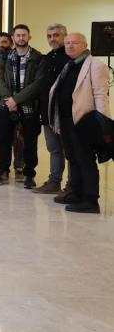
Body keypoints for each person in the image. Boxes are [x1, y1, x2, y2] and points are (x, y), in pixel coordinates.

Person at [48, 32, 111, 214]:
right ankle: (75, 193)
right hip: (66, 120)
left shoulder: (96, 65)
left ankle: (91, 200)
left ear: (84, 45)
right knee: (72, 157)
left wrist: (103, 123)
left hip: (84, 121)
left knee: (85, 160)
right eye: (67, 43)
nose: (69, 46)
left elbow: (100, 95)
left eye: (74, 43)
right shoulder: (70, 64)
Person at [0, 24, 44, 187]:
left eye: (24, 35)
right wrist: (9, 100)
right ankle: (3, 171)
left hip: (29, 106)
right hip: (7, 105)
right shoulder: (5, 57)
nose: (21, 38)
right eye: (18, 35)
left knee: (29, 142)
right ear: (13, 38)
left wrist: (17, 100)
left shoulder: (38, 58)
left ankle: (29, 175)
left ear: (29, 37)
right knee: (3, 140)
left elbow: (38, 83)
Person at [33, 23, 70, 194]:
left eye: (56, 35)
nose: (52, 39)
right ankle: (54, 182)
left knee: (70, 151)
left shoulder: (70, 57)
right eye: (49, 36)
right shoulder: (47, 58)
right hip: (47, 113)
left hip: (64, 113)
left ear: (64, 36)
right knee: (54, 148)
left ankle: (71, 186)